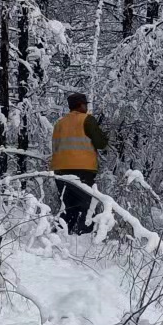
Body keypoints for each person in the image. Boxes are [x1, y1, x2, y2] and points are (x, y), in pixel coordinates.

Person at [51, 92, 107, 235]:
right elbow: (101, 143)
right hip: (83, 169)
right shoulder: (87, 120)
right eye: (85, 105)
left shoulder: (59, 123)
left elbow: (55, 147)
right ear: (80, 105)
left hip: (60, 170)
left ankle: (59, 236)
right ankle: (85, 239)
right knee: (87, 207)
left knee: (68, 207)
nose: (86, 108)